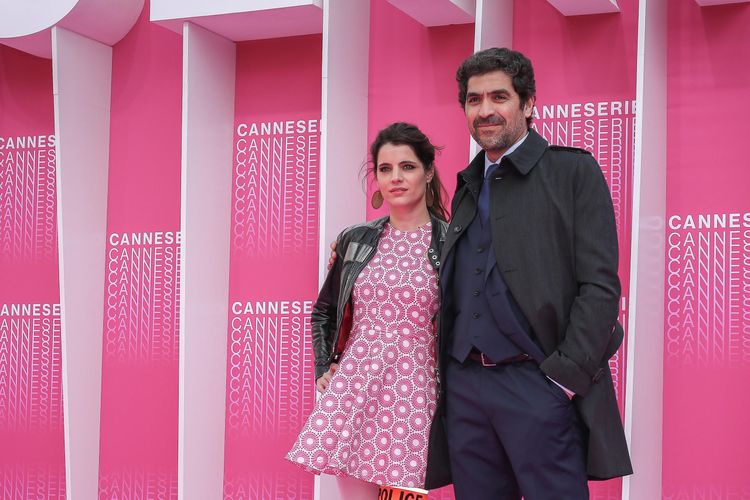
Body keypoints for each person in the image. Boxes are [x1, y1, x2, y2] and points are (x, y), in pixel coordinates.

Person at [422, 47, 633, 499]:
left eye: (499, 96)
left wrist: (562, 379)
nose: (485, 110)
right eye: (474, 100)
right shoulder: (467, 184)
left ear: (529, 103)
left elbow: (600, 286)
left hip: (537, 383)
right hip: (465, 388)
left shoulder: (572, 171)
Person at [286, 122, 449, 494]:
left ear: (428, 172)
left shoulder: (451, 243)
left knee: (407, 494)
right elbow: (325, 309)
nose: (396, 177)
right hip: (356, 388)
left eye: (407, 167)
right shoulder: (355, 239)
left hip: (415, 393)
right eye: (385, 168)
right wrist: (324, 365)